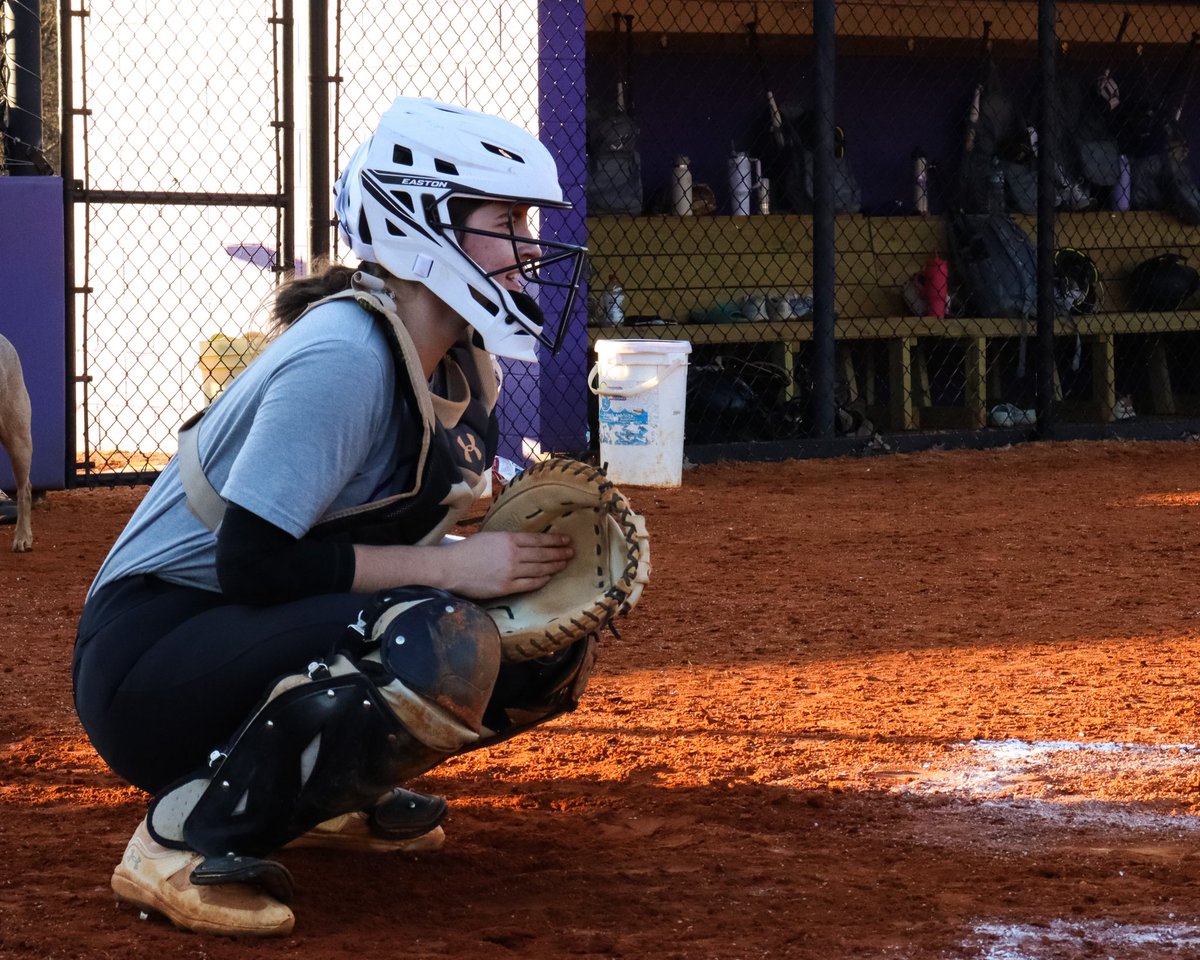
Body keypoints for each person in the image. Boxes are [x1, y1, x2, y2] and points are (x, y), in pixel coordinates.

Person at [72, 96, 591, 937]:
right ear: (425, 225)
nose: (532, 245)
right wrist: (454, 566)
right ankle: (180, 842)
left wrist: (500, 561)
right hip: (151, 658)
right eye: (509, 219)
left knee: (547, 645)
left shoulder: (465, 364)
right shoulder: (346, 356)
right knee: (437, 632)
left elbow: (364, 545)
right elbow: (253, 564)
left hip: (244, 629)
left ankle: (323, 794)